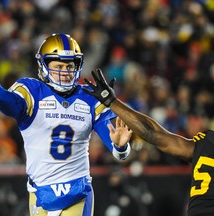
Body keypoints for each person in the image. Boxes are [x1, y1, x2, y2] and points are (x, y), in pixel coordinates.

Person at [0, 31, 133, 216]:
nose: (65, 72)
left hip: (76, 191)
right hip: (39, 191)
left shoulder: (90, 97)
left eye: (70, 66)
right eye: (59, 66)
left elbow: (119, 153)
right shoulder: (32, 91)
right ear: (44, 66)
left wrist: (121, 147)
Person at [83, 68, 214, 216]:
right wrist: (111, 101)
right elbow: (152, 133)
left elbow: (153, 133)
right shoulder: (206, 143)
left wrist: (111, 102)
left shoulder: (206, 143)